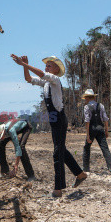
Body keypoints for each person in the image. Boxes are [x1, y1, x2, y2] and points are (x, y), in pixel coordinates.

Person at [11, 54, 87, 197]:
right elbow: (28, 79)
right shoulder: (45, 83)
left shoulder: (55, 80)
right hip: (54, 120)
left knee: (57, 152)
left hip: (59, 119)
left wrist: (24, 64)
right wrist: (25, 66)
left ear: (56, 69)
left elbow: (40, 74)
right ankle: (80, 174)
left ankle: (58, 189)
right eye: (46, 65)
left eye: (49, 65)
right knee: (61, 149)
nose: (46, 67)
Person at [82, 89, 111, 174]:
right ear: (93, 97)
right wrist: (106, 130)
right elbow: (105, 119)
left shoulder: (86, 107)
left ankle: (86, 169)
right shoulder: (100, 105)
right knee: (105, 148)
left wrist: (88, 135)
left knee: (87, 148)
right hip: (100, 128)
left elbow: (87, 121)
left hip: (92, 129)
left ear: (87, 98)